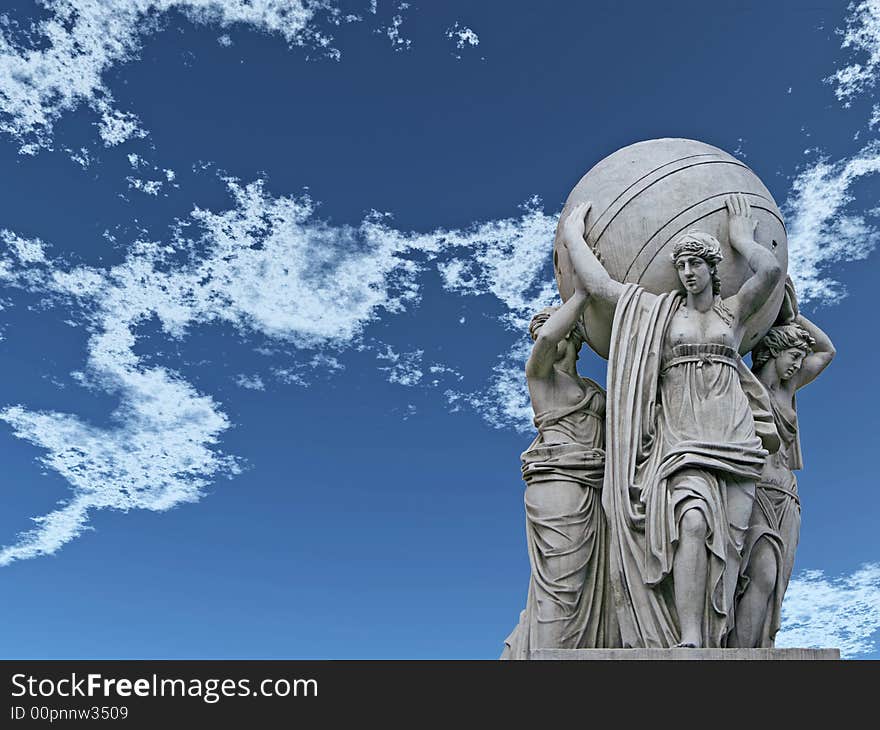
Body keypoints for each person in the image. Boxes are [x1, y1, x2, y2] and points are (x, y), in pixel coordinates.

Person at [562, 193, 782, 648]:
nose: (687, 272)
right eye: (681, 264)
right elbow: (604, 288)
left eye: (695, 263)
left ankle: (720, 636)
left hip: (734, 435)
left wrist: (742, 238)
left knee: (732, 546)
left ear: (711, 268)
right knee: (693, 523)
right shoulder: (657, 316)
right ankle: (689, 636)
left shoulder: (733, 313)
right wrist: (572, 238)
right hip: (680, 435)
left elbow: (772, 272)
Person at [501, 284, 614, 658]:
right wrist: (583, 292)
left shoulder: (593, 388)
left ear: (576, 338)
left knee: (592, 585)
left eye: (551, 332)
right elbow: (548, 337)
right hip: (558, 485)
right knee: (561, 585)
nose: (544, 341)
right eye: (539, 337)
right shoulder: (540, 377)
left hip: (597, 489)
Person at [730, 286, 835, 648]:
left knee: (776, 584)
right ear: (772, 351)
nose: (796, 364)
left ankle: (759, 650)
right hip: (753, 492)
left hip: (787, 496)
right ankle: (740, 655)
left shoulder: (787, 392)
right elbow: (729, 342)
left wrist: (792, 315)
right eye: (792, 354)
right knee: (760, 573)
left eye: (799, 357)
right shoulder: (743, 385)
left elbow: (827, 351)